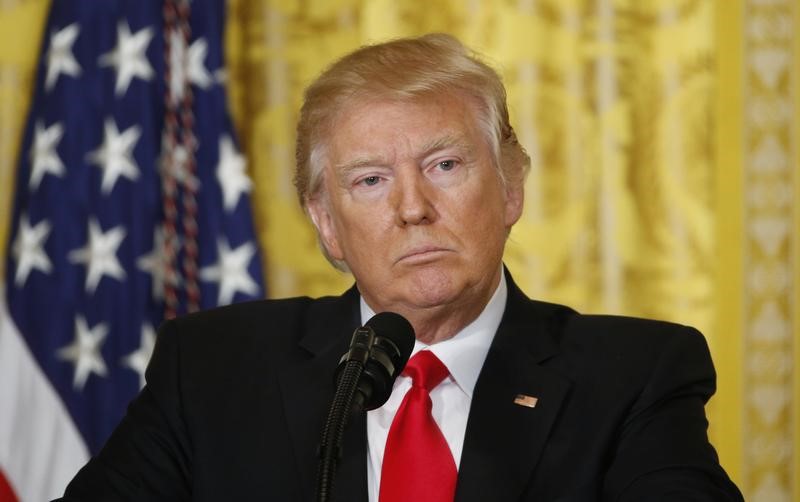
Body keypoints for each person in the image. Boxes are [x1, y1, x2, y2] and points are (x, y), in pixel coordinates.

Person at [58, 33, 743, 501]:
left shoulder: (635, 377)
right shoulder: (211, 369)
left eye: (445, 165)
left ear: (511, 186)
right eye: (370, 181)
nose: (413, 208)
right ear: (326, 221)